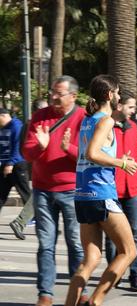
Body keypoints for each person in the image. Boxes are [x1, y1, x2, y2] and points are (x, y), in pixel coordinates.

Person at [65, 75, 137, 306]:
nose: (119, 96)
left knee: (91, 259)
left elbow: (89, 153)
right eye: (117, 92)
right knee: (129, 252)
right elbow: (93, 154)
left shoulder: (87, 120)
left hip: (82, 195)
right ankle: (94, 302)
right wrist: (122, 163)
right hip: (101, 194)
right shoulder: (106, 121)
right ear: (109, 95)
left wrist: (116, 158)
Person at [22, 75, 87, 306]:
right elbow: (27, 152)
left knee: (75, 243)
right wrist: (40, 146)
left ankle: (80, 292)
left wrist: (66, 148)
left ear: (73, 96)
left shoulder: (83, 118)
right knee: (46, 244)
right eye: (52, 92)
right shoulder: (40, 117)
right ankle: (45, 294)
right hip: (43, 190)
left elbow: (89, 155)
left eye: (59, 93)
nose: (53, 97)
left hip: (71, 190)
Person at [105, 91, 137, 291]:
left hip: (133, 190)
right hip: (112, 190)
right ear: (119, 106)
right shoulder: (105, 126)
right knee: (113, 237)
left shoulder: (132, 127)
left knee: (135, 234)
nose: (134, 111)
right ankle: (115, 272)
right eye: (130, 107)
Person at [10, 99, 49, 240]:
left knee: (40, 196)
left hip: (33, 164)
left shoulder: (31, 123)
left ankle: (22, 222)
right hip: (36, 164)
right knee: (41, 195)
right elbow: (26, 146)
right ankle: (21, 222)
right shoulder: (34, 124)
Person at [0, 108, 31, 216]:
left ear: (3, 116)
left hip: (17, 165)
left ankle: (34, 217)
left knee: (25, 193)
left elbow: (18, 147)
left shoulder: (16, 126)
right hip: (5, 165)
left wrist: (11, 163)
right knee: (1, 193)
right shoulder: (4, 127)